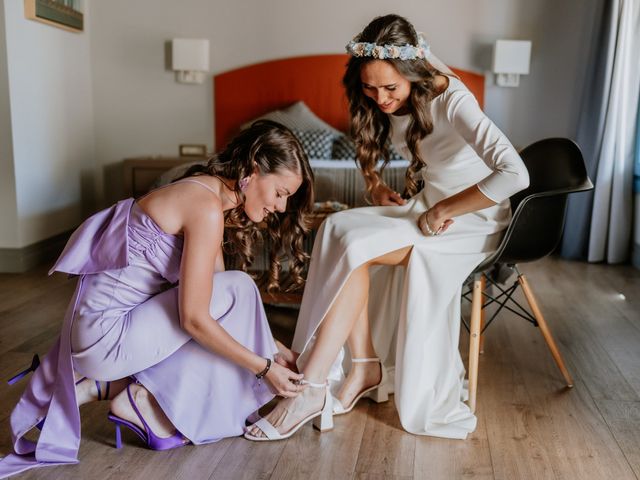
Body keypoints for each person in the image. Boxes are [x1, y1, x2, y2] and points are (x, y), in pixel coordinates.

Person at [245, 14, 529, 441]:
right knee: (336, 228)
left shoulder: (453, 101)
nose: (380, 98)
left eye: (391, 88)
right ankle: (364, 366)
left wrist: (444, 208)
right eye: (370, 88)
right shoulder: (380, 95)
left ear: (414, 73)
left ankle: (314, 386)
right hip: (430, 205)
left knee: (357, 248)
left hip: (472, 218)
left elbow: (515, 173)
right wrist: (375, 185)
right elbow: (368, 143)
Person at [0, 120, 314, 478]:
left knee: (233, 290)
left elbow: (219, 305)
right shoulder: (205, 206)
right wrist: (265, 367)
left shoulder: (208, 197)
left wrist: (272, 347)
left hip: (102, 330)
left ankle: (113, 389)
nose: (283, 205)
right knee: (238, 287)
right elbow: (195, 319)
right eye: (281, 192)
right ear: (254, 170)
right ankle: (137, 400)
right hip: (105, 337)